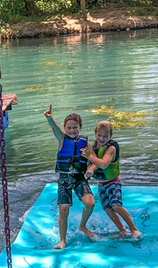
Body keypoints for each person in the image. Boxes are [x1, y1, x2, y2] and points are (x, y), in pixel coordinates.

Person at [44, 105, 96, 249]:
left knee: (90, 203)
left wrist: (91, 168)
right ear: (65, 128)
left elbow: (95, 161)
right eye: (69, 128)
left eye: (75, 127)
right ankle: (62, 241)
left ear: (80, 127)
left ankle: (83, 225)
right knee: (64, 209)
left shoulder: (86, 144)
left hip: (79, 178)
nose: (72, 130)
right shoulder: (61, 139)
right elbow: (55, 128)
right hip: (65, 179)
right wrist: (49, 118)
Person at [83, 120, 142, 239]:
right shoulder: (93, 147)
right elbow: (95, 162)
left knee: (116, 206)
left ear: (111, 136)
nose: (102, 138)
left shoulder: (111, 148)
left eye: (105, 136)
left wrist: (89, 156)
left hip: (113, 183)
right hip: (102, 184)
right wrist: (90, 169)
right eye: (99, 135)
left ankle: (134, 229)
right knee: (108, 209)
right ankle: (122, 230)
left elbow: (104, 164)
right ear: (95, 134)